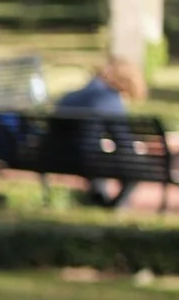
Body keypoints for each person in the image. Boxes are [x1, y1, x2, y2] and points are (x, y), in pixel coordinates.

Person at [53, 60, 137, 208]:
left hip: (55, 158)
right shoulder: (109, 99)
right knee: (134, 167)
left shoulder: (70, 97)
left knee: (92, 156)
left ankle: (100, 199)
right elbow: (123, 143)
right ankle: (115, 205)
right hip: (88, 160)